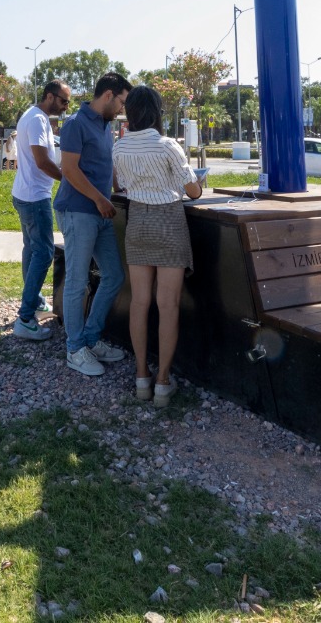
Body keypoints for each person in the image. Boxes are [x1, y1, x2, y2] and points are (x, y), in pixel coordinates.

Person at [113, 85, 202, 407]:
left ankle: (141, 376)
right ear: (156, 112)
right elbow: (193, 191)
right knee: (168, 306)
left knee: (139, 302)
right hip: (169, 225)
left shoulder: (119, 146)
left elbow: (119, 185)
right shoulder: (168, 145)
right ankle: (163, 382)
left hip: (137, 222)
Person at [55, 71, 132, 377]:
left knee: (113, 275)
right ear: (108, 95)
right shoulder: (75, 123)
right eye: (122, 102)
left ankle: (89, 339)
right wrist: (100, 200)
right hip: (78, 211)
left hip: (100, 213)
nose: (123, 109)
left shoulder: (104, 125)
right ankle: (75, 349)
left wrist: (117, 187)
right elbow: (69, 170)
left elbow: (106, 162)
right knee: (77, 282)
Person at [9, 80, 71, 341]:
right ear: (49, 96)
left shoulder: (33, 116)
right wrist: (68, 180)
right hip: (35, 197)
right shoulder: (36, 120)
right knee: (44, 253)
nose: (66, 106)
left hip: (24, 193)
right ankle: (25, 319)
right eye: (64, 101)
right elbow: (42, 161)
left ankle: (34, 302)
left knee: (32, 249)